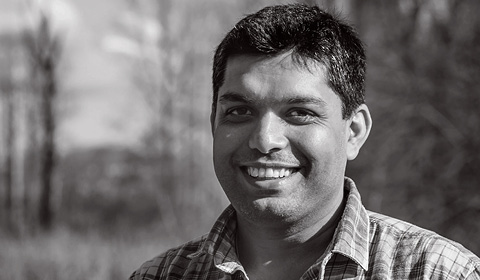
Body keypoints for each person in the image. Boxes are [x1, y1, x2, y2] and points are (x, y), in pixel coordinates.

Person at [130, 4, 480, 280]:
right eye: (239, 111)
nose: (265, 140)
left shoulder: (438, 271)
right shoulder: (158, 275)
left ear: (354, 131)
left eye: (299, 112)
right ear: (213, 124)